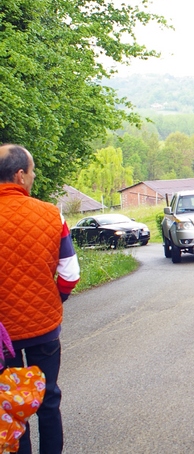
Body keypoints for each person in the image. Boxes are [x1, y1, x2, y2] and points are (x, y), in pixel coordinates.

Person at [0, 144, 80, 454]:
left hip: (2, 335)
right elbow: (70, 274)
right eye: (31, 172)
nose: (33, 177)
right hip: (43, 328)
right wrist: (52, 298)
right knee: (48, 398)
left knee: (8, 400)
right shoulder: (49, 214)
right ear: (20, 175)